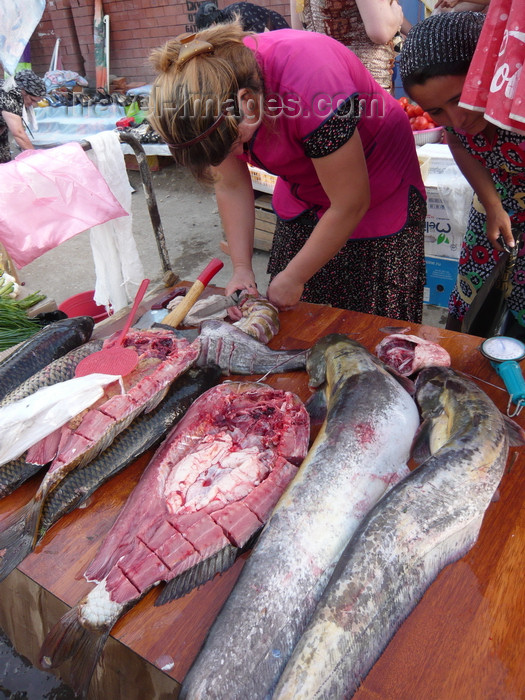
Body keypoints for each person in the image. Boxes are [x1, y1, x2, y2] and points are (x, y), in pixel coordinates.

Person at [149, 25, 427, 322]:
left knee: (369, 321)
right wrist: (242, 268)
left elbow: (350, 202)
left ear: (248, 103)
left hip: (377, 177)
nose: (235, 156)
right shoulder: (211, 104)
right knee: (295, 310)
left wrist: (295, 276)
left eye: (235, 145)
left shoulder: (313, 81)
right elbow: (230, 185)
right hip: (303, 185)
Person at [400, 11, 525, 335]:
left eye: (461, 100)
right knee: (473, 297)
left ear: (492, 75)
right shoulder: (457, 125)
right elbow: (459, 143)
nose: (457, 119)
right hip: (496, 202)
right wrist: (493, 205)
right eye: (437, 111)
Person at [290, 0, 409, 93]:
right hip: (365, 88)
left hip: (322, 87)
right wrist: (396, 14)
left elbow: (298, 33)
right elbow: (380, 31)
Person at [0, 70, 46, 163]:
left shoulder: (16, 95)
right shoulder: (9, 96)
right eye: (32, 99)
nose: (32, 104)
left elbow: (4, 122)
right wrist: (38, 160)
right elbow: (19, 134)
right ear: (23, 91)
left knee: (4, 162)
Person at [195, 1, 289, 32]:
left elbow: (262, 35)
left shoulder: (237, 14)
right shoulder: (226, 22)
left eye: (208, 28)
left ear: (213, 22)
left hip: (276, 27)